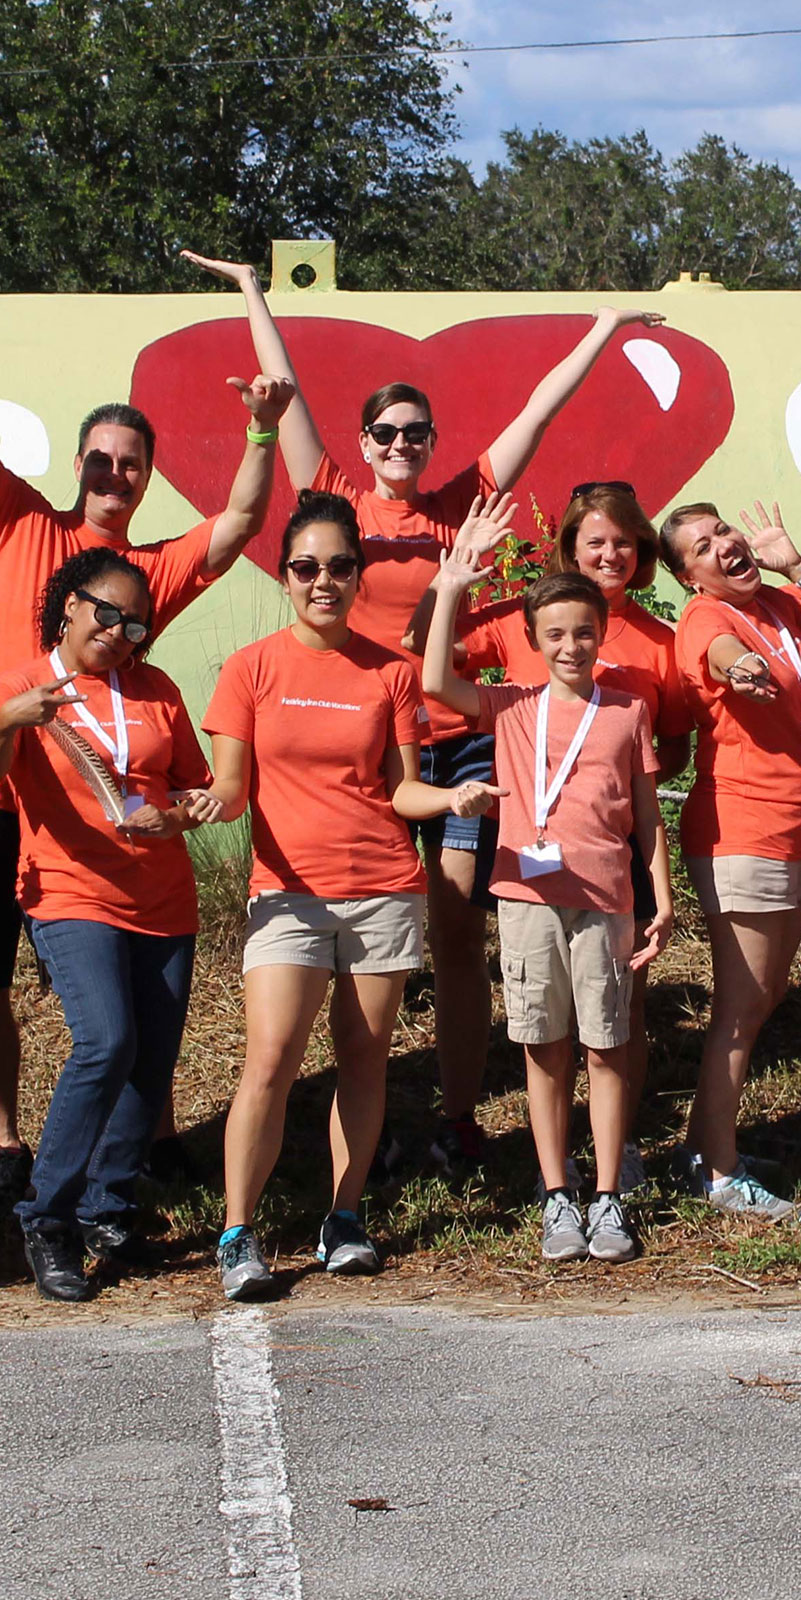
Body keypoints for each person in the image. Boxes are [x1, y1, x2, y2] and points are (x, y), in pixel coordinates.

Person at [217, 247, 664, 1171]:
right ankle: (381, 1113)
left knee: (459, 929)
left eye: (416, 432)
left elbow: (538, 413)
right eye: (385, 433)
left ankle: (458, 1119)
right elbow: (285, 394)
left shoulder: (464, 503)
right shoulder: (333, 497)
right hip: (370, 743)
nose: (400, 446)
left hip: (459, 746)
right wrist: (256, 294)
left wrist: (604, 332)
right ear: (366, 439)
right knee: (384, 935)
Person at [0, 284, 289, 1230]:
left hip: (95, 822)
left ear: (148, 478)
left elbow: (241, 525)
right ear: (80, 462)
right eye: (104, 459)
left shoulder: (147, 573)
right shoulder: (20, 521)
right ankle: (10, 1148)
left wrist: (260, 433)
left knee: (127, 998)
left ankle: (142, 1147)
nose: (116, 474)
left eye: (134, 465)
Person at [199, 492, 503, 1301]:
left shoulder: (391, 673)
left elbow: (402, 791)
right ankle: (238, 1233)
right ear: (285, 576)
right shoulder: (251, 668)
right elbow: (232, 789)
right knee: (270, 1060)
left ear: (356, 575)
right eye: (306, 567)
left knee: (364, 1062)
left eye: (338, 566)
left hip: (381, 889)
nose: (322, 580)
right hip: (288, 895)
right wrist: (201, 806)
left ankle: (343, 1219)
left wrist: (452, 801)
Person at [424, 502, 675, 1264]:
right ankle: (555, 1193)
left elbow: (646, 819)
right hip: (527, 900)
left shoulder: (628, 710)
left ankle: (605, 1195)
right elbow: (436, 679)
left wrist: (662, 899)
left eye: (585, 632)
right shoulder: (509, 707)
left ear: (604, 633)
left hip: (607, 903)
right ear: (532, 643)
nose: (571, 646)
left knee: (607, 1044)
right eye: (555, 635)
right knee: (543, 1046)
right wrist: (452, 587)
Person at [0, 550, 225, 1302]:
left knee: (151, 1060)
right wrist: (8, 720)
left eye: (135, 625)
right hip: (69, 891)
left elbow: (194, 787)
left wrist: (176, 815)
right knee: (105, 1041)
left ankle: (108, 1209)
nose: (118, 632)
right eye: (105, 613)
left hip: (163, 896)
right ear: (70, 606)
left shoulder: (157, 691)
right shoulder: (24, 684)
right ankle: (46, 1215)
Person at [662, 499, 801, 1219]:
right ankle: (719, 1174)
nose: (722, 543)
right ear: (690, 578)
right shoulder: (706, 620)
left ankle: (703, 1147)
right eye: (702, 546)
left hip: (799, 830)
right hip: (744, 833)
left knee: (761, 1001)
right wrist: (743, 666)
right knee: (740, 1009)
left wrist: (799, 565)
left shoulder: (784, 603)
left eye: (722, 529)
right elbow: (723, 656)